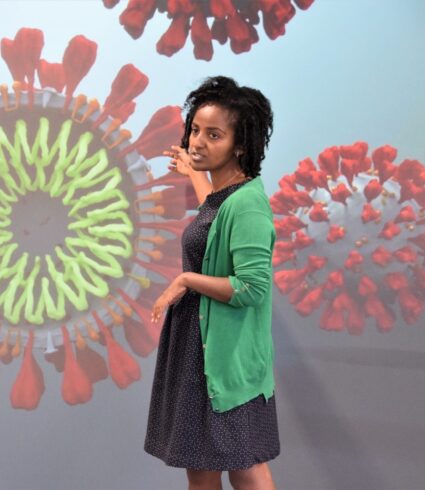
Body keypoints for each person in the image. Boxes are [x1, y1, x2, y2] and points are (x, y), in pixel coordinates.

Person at [144, 76, 279, 490]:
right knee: (203, 468)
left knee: (243, 464)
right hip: (198, 353)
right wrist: (191, 172)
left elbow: (253, 288)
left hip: (223, 360)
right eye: (195, 130)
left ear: (240, 145)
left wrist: (185, 279)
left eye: (213, 135)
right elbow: (213, 213)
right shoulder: (226, 195)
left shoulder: (248, 205)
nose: (197, 142)